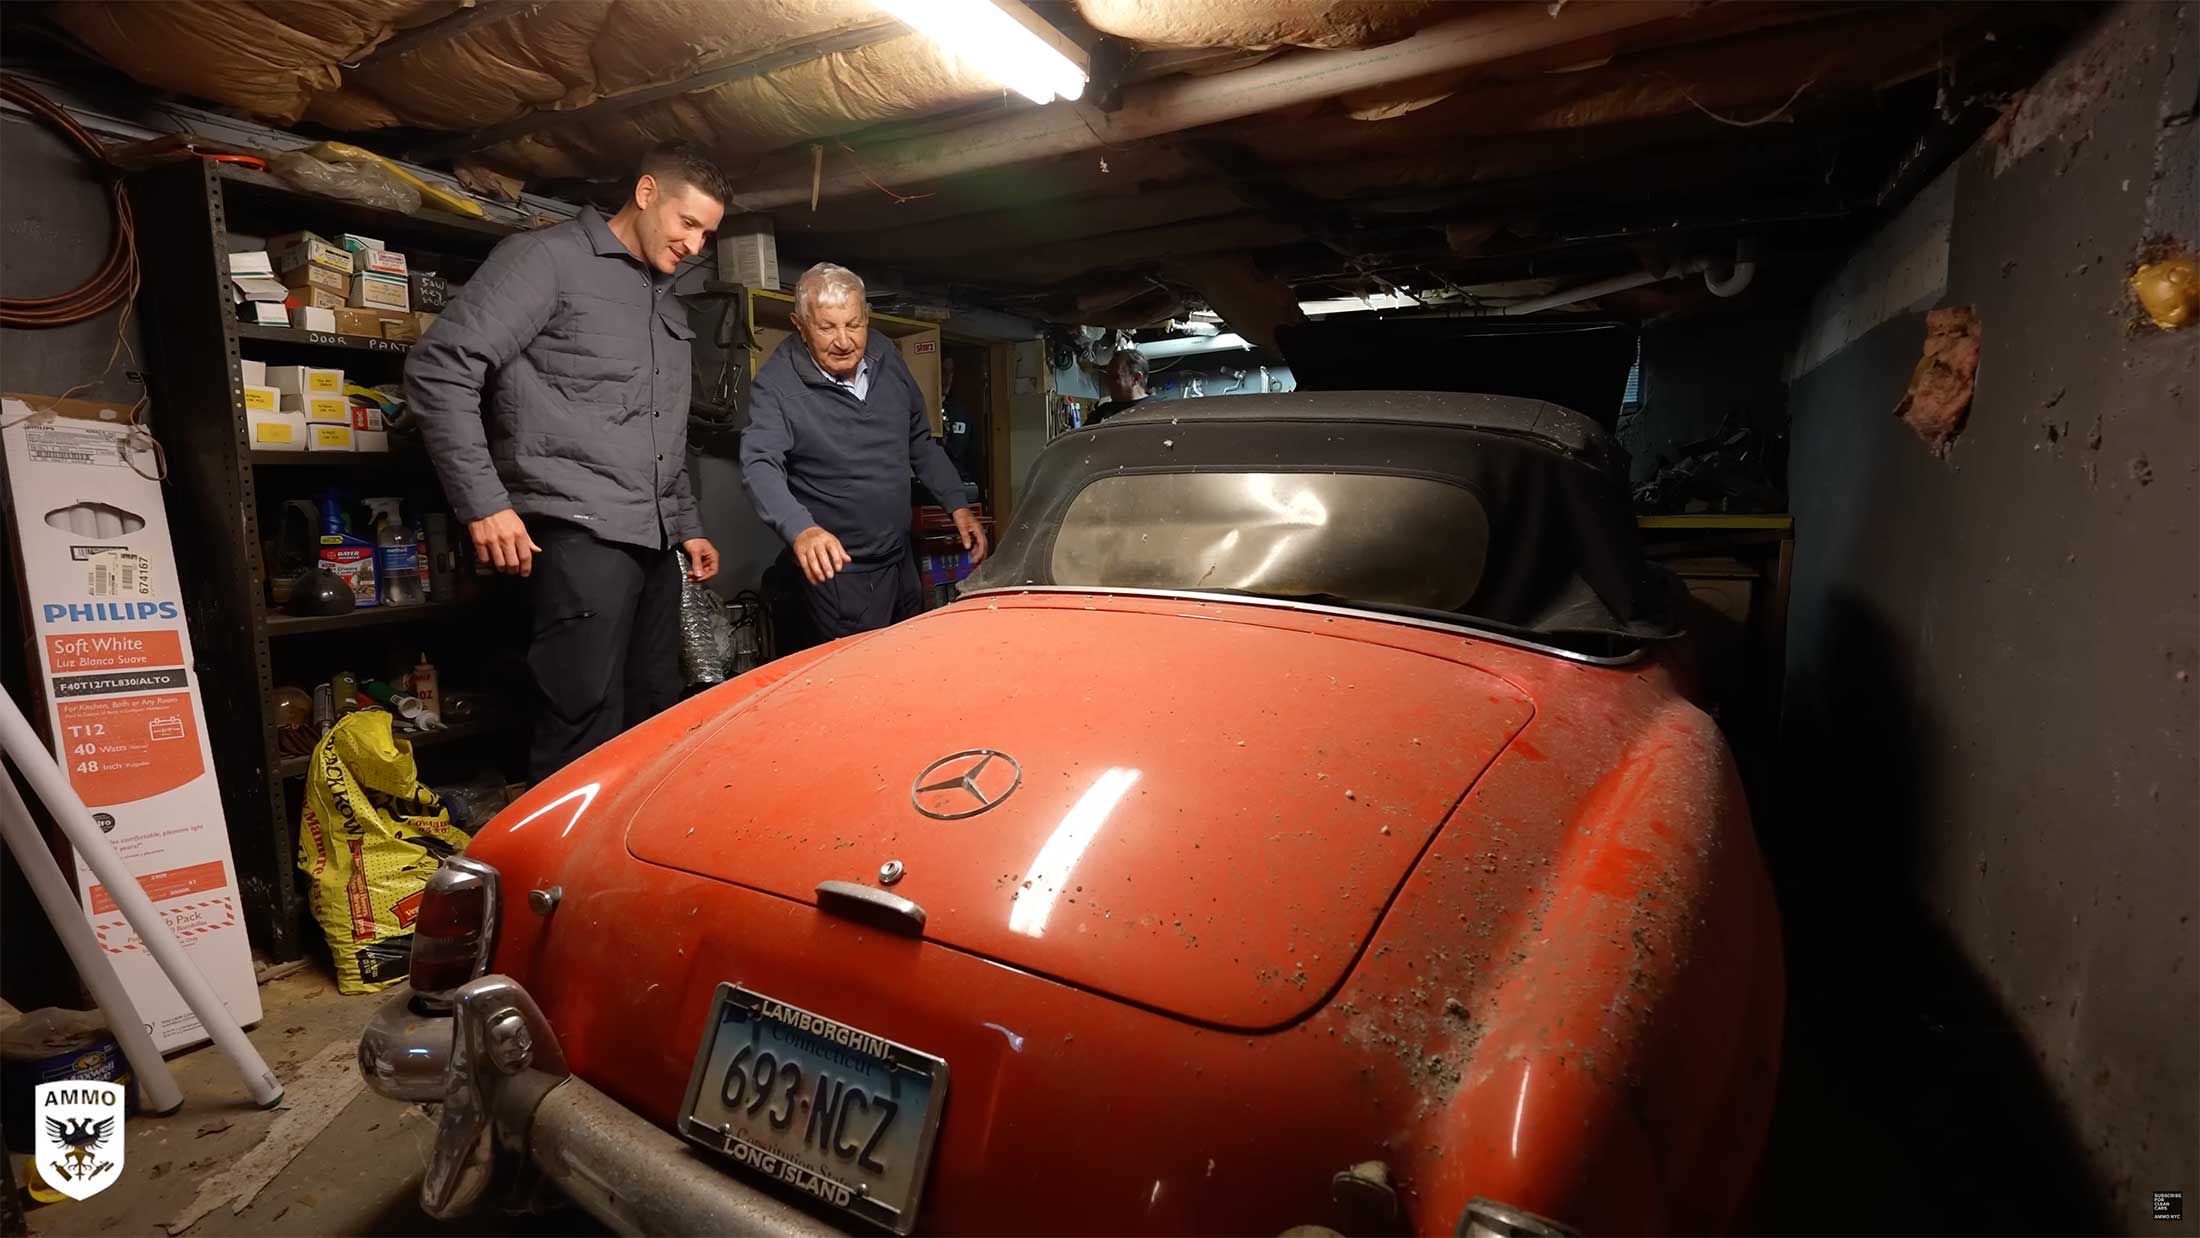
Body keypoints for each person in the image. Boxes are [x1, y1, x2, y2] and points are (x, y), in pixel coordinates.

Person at [406, 143, 728, 779]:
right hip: (578, 533)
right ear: (645, 194)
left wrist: (686, 523)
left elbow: (659, 422)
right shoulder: (545, 259)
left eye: (707, 235)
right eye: (687, 223)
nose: (695, 245)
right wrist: (485, 505)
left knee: (655, 715)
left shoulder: (664, 298)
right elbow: (440, 368)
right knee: (582, 724)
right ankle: (565, 848)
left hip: (653, 541)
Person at [740, 262, 987, 640]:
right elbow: (759, 464)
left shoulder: (886, 355)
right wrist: (800, 528)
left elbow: (919, 441)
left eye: (853, 325)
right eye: (827, 327)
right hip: (842, 572)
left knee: (909, 656)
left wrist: (957, 504)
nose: (844, 341)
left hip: (900, 559)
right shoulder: (777, 385)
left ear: (867, 318)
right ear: (799, 325)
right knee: (859, 670)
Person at [1087, 346, 1151, 424]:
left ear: (1136, 379)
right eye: (1107, 376)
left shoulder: (1157, 409)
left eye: (1114, 377)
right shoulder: (1102, 412)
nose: (1107, 383)